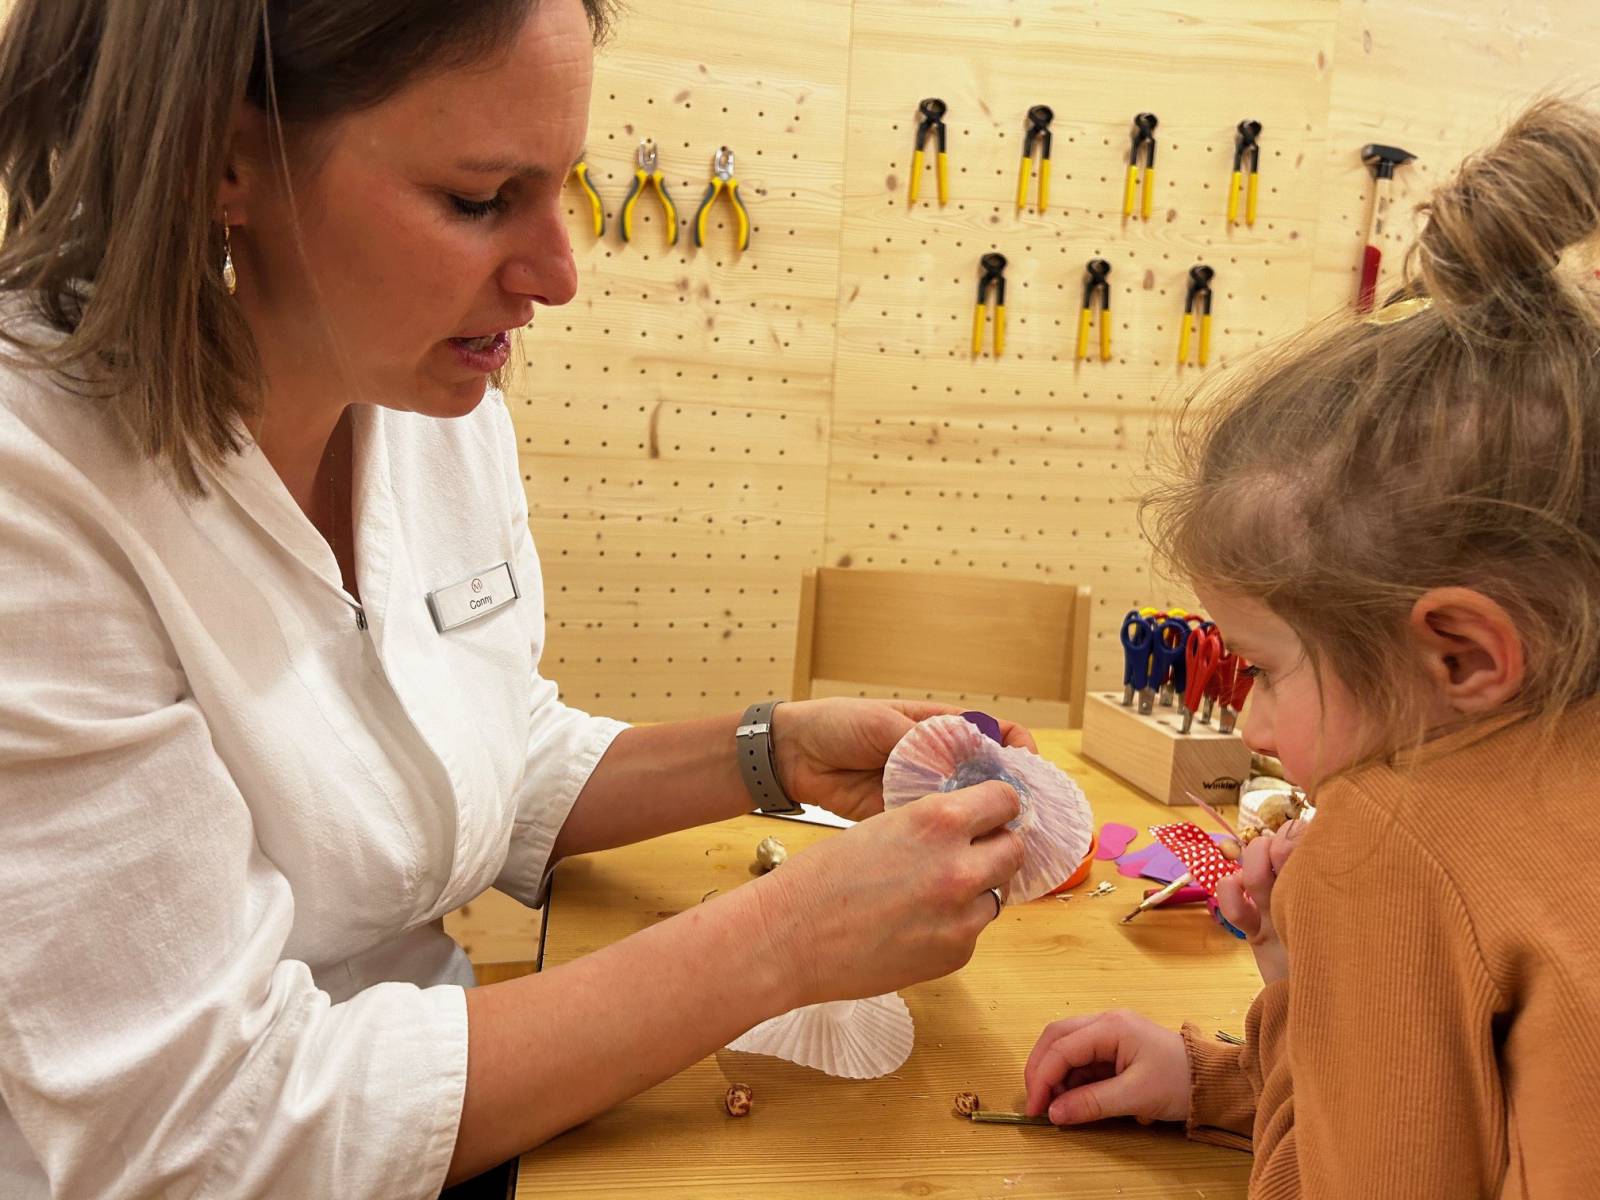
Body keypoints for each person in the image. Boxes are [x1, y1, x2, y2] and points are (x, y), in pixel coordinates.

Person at [0, 2, 1030, 1195]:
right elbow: (203, 1134)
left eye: (563, 189)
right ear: (225, 157)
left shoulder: (426, 396)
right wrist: (785, 941)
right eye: (480, 200)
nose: (558, 274)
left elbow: (481, 746)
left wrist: (771, 754)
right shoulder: (36, 490)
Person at [1023, 95, 1600, 1196]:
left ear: (1466, 658)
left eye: (1269, 668)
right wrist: (1223, 1082)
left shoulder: (1382, 855)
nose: (1248, 722)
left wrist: (1298, 977)